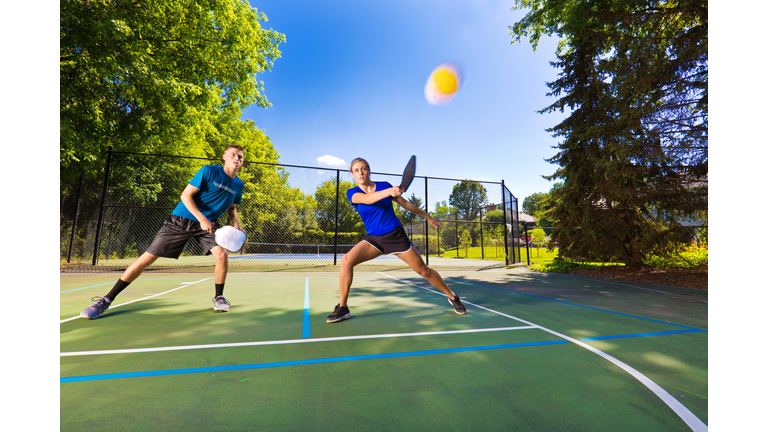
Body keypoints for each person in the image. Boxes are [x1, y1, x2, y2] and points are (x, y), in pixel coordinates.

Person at [80, 145, 246, 319]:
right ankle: (106, 300)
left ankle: (219, 297)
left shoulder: (238, 185)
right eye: (233, 155)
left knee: (222, 254)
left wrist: (235, 222)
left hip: (208, 225)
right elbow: (185, 196)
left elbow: (232, 206)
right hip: (183, 218)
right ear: (224, 157)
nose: (237, 159)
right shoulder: (208, 171)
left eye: (240, 157)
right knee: (148, 257)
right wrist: (201, 218)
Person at [326, 157, 467, 323]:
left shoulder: (385, 185)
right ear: (352, 174)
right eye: (356, 170)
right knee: (346, 260)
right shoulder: (353, 193)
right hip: (373, 240)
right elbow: (367, 200)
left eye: (364, 168)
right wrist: (390, 192)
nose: (360, 172)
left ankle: (452, 296)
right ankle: (343, 307)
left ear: (369, 171)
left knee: (423, 271)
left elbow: (405, 204)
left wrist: (426, 216)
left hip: (396, 236)